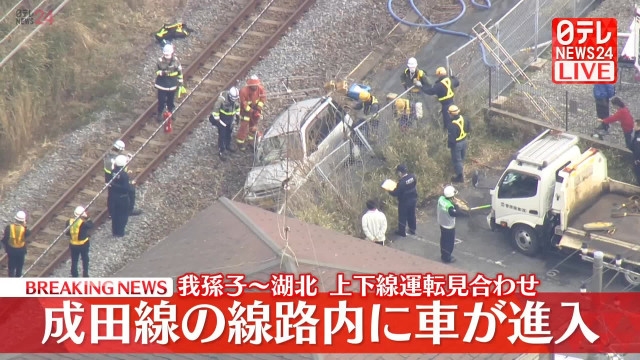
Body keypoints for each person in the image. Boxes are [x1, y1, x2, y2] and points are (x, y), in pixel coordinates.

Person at [104, 140, 141, 216]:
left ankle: (111, 213)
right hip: (118, 180)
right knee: (131, 191)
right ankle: (129, 210)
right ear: (120, 149)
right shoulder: (118, 159)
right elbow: (122, 170)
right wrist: (127, 160)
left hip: (109, 180)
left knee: (111, 196)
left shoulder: (107, 156)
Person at [154, 44, 184, 123]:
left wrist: (180, 82)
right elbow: (156, 70)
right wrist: (162, 73)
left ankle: (171, 111)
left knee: (171, 100)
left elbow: (179, 71)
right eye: (165, 54)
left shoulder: (176, 61)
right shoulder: (160, 61)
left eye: (168, 54)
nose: (166, 56)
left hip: (172, 84)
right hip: (162, 84)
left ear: (171, 53)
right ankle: (160, 113)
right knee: (161, 100)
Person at [386, 164, 418, 237]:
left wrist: (388, 190)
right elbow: (414, 184)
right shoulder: (412, 176)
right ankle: (412, 229)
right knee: (412, 215)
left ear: (400, 172)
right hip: (413, 199)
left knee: (402, 217)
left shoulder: (401, 183)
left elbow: (396, 193)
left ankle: (402, 232)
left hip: (404, 202)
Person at [236, 75, 267, 150]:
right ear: (250, 85)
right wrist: (252, 111)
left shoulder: (261, 89)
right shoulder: (243, 91)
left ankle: (251, 141)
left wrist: (258, 108)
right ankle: (240, 142)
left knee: (253, 125)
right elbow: (244, 104)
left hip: (255, 109)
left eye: (255, 85)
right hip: (245, 112)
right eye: (253, 85)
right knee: (244, 126)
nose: (254, 87)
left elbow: (263, 99)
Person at [209, 87, 240, 160]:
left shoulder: (235, 99)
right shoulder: (221, 100)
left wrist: (237, 116)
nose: (234, 100)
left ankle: (227, 145)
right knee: (222, 134)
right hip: (222, 119)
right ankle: (221, 151)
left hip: (230, 119)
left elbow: (237, 107)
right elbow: (215, 110)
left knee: (229, 132)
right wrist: (218, 120)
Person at [109, 155, 133, 237]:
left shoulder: (113, 172)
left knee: (115, 215)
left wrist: (113, 185)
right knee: (123, 215)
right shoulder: (124, 175)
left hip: (114, 197)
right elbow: (126, 188)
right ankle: (120, 232)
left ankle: (115, 232)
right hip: (122, 198)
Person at [65, 206, 94, 278]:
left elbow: (67, 233)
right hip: (83, 244)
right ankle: (85, 274)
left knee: (74, 260)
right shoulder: (83, 223)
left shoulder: (69, 221)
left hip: (73, 244)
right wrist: (88, 218)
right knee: (85, 259)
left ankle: (74, 275)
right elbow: (91, 225)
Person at [1, 211, 30, 277]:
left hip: (11, 252)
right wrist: (24, 226)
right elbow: (28, 234)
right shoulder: (24, 229)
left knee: (11, 268)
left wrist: (5, 247)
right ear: (23, 221)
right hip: (21, 252)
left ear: (15, 219)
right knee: (19, 269)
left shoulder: (9, 227)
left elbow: (5, 239)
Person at [447, 105, 470, 183]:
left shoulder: (452, 125)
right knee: (461, 158)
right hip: (464, 141)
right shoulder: (464, 118)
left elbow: (451, 138)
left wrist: (449, 146)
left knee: (457, 160)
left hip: (457, 144)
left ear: (451, 114)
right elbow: (469, 128)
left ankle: (459, 177)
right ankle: (460, 170)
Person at [438, 185, 460, 264]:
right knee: (449, 243)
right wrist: (457, 205)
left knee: (443, 240)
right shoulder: (450, 207)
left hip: (442, 223)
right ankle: (447, 257)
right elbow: (456, 213)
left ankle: (443, 254)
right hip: (449, 226)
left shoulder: (441, 199)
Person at [632, 120, 640, 186]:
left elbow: (637, 149)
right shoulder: (637, 133)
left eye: (635, 125)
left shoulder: (638, 137)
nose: (633, 127)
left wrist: (637, 160)